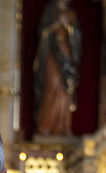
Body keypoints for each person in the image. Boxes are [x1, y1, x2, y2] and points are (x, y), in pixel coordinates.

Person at [32, 0, 82, 136]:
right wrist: (53, 27)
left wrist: (69, 29)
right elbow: (42, 31)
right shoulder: (50, 13)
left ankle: (62, 126)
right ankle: (45, 126)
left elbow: (77, 37)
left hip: (66, 53)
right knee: (52, 86)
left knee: (66, 89)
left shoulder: (71, 14)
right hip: (53, 54)